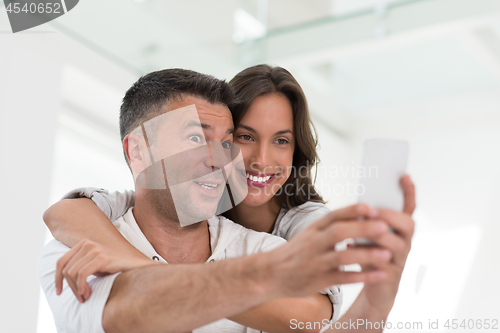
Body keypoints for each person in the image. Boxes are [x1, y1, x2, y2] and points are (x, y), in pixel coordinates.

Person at [41, 67, 415, 332]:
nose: (218, 158)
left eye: (224, 141)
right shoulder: (74, 248)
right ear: (138, 153)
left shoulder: (277, 244)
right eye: (194, 138)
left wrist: (375, 303)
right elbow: (127, 316)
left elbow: (308, 322)